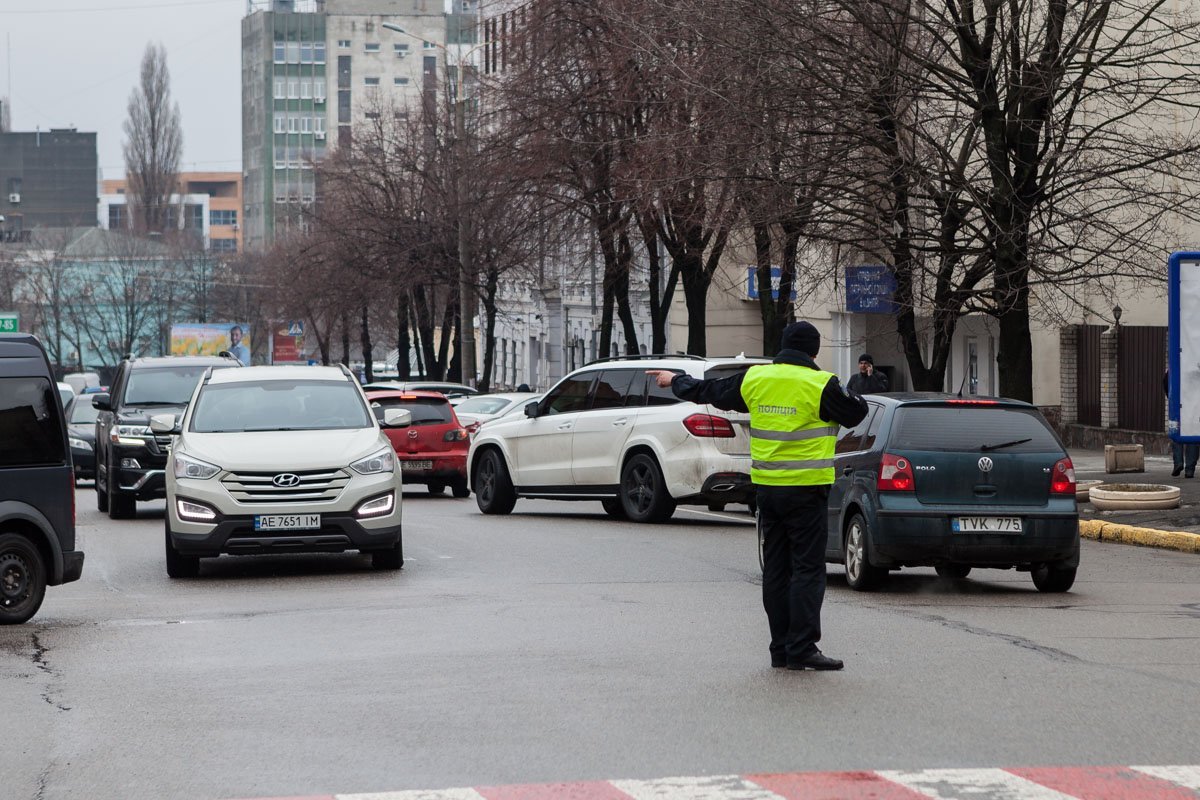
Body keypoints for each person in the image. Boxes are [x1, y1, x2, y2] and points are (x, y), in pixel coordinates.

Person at [647, 321, 867, 671]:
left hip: (767, 492)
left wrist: (675, 381)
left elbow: (710, 391)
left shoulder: (755, 379)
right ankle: (802, 648)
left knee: (777, 571)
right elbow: (857, 412)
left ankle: (780, 648)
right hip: (807, 492)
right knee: (807, 570)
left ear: (783, 346)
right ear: (813, 351)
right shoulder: (820, 383)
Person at [1164, 369, 1197, 477]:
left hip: (1177, 406)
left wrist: (1172, 399)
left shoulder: (1173, 367)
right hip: (1194, 407)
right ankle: (1190, 470)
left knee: (1176, 434)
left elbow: (1166, 384)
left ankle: (1178, 463)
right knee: (1193, 437)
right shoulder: (1195, 366)